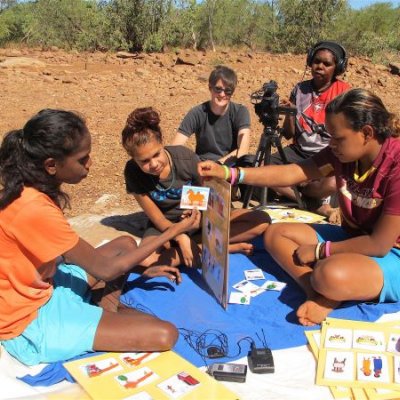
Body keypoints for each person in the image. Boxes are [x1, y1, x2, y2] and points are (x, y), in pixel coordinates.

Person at [0, 109, 201, 366]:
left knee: (126, 244)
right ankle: (96, 313)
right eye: (83, 159)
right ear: (51, 165)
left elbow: (63, 253)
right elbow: (106, 270)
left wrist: (139, 265)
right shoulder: (34, 207)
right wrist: (174, 231)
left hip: (44, 281)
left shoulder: (29, 190)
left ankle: (104, 310)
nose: (89, 164)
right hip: (27, 316)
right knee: (165, 333)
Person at [198, 88, 400, 327]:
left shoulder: (395, 167)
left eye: (337, 138)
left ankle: (328, 288)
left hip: (390, 252)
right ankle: (316, 293)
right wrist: (231, 173)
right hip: (353, 237)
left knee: (328, 273)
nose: (331, 144)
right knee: (276, 233)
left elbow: (379, 244)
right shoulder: (344, 153)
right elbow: (294, 172)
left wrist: (320, 251)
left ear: (366, 133)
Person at [122, 107, 270, 269]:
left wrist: (199, 214)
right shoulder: (133, 172)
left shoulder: (186, 159)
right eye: (144, 161)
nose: (154, 164)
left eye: (157, 154)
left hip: (200, 221)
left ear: (162, 143)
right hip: (166, 228)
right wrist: (179, 235)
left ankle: (191, 248)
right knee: (145, 259)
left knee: (260, 220)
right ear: (134, 159)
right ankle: (215, 248)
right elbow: (158, 219)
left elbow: (212, 196)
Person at [272, 41, 351, 219]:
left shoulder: (344, 93)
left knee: (332, 182)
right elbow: (288, 134)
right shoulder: (300, 90)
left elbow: (347, 134)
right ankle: (313, 204)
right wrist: (291, 113)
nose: (319, 67)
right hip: (298, 151)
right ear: (309, 61)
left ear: (337, 68)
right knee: (265, 166)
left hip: (327, 153)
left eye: (326, 63)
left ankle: (299, 190)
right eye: (316, 61)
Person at [171, 65, 253, 168]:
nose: (222, 94)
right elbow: (175, 147)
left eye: (228, 91)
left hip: (229, 166)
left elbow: (243, 149)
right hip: (202, 165)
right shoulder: (197, 112)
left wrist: (217, 166)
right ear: (210, 87)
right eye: (218, 89)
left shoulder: (240, 112)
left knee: (250, 161)